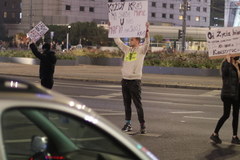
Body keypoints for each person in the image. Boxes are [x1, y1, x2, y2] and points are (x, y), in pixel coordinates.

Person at [113, 23, 150, 134]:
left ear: (138, 41)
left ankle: (142, 124)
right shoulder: (127, 50)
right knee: (126, 103)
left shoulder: (141, 51)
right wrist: (113, 29)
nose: (130, 41)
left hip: (135, 81)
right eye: (130, 40)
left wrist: (147, 31)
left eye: (132, 40)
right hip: (125, 80)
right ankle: (128, 123)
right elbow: (118, 42)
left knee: (137, 104)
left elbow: (147, 42)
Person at [210, 55, 240, 144]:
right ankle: (215, 134)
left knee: (236, 115)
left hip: (237, 94)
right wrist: (228, 62)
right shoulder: (225, 64)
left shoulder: (238, 64)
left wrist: (237, 66)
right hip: (227, 94)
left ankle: (234, 136)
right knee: (226, 115)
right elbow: (225, 74)